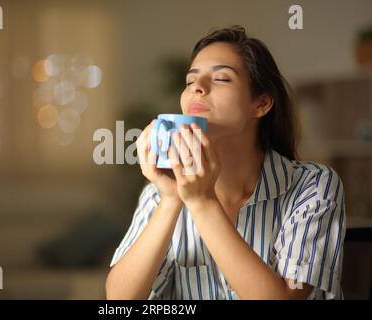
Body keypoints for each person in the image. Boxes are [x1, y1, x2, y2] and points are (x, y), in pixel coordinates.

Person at [105, 26, 346, 300]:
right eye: (190, 81)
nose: (197, 87)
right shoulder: (160, 193)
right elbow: (119, 300)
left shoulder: (313, 186)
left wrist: (202, 202)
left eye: (221, 78)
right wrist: (172, 199)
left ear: (262, 103)